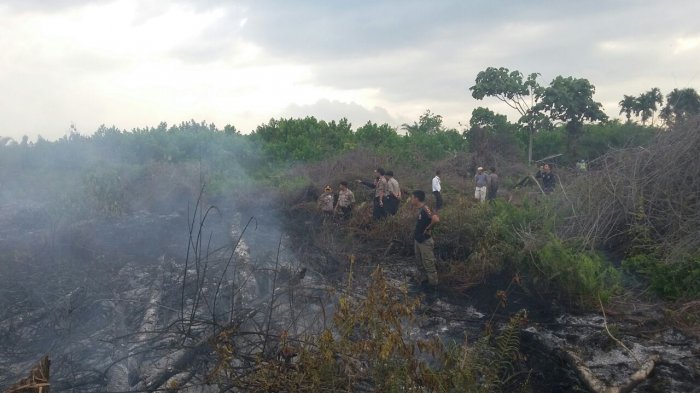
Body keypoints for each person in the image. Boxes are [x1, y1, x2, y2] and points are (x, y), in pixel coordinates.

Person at [412, 190, 440, 287]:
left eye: (412, 198)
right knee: (420, 263)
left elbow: (436, 219)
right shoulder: (419, 209)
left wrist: (428, 228)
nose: (411, 200)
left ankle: (433, 287)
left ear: (416, 198)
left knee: (429, 265)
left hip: (425, 241)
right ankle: (424, 282)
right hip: (418, 240)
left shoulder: (425, 209)